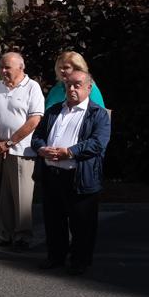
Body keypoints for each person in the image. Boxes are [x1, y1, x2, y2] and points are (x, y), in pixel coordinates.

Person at [32, 70, 111, 275]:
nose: (72, 89)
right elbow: (38, 136)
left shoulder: (98, 114)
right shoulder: (54, 111)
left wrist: (70, 152)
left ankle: (80, 261)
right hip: (52, 175)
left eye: (77, 85)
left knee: (82, 223)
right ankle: (55, 257)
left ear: (88, 88)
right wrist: (41, 148)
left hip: (79, 176)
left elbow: (98, 143)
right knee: (53, 219)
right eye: (68, 85)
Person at [0, 51, 45, 250]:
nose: (3, 71)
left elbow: (34, 120)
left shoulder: (32, 87)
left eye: (7, 67)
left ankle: (22, 237)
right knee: (1, 196)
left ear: (21, 67)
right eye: (1, 67)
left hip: (21, 151)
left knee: (22, 198)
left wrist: (9, 143)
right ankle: (4, 233)